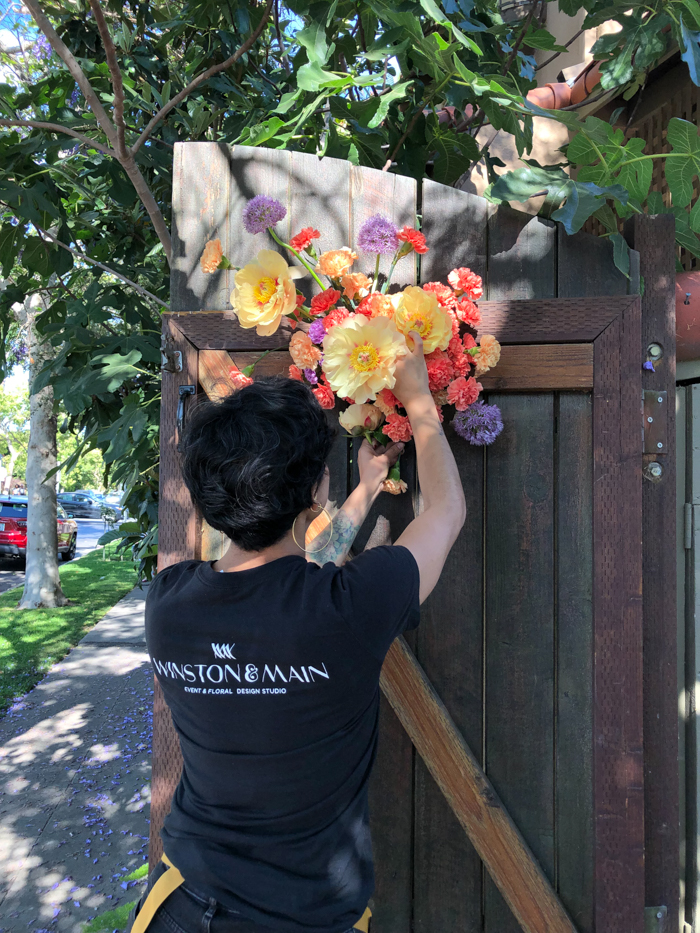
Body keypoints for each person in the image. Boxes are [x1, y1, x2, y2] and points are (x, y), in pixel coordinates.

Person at [133, 333, 466, 933]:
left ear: (207, 502)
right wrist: (418, 399)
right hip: (305, 919)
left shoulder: (168, 605)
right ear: (315, 491)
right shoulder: (348, 609)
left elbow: (287, 582)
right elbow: (445, 513)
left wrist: (364, 491)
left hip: (179, 907)